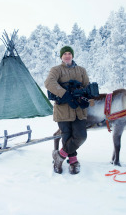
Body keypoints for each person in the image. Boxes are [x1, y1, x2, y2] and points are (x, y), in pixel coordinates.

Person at [44, 46, 90, 175]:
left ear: (72, 55)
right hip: (63, 110)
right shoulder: (56, 70)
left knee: (81, 136)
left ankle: (60, 156)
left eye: (69, 53)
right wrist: (65, 94)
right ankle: (73, 161)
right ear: (61, 57)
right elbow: (49, 82)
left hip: (79, 110)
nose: (67, 56)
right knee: (66, 136)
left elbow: (87, 85)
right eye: (65, 54)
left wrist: (85, 95)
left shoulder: (81, 70)